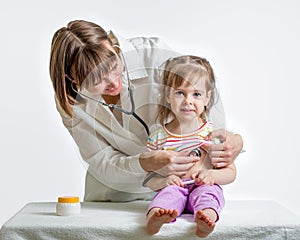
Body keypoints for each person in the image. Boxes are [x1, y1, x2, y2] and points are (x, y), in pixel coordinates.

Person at [49, 20, 243, 203]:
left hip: (179, 189)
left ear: (112, 46)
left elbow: (204, 108)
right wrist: (144, 163)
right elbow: (101, 161)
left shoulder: (153, 55)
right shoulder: (70, 102)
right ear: (72, 78)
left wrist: (233, 141)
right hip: (114, 195)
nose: (113, 82)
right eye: (96, 80)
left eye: (113, 67)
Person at [144, 55, 236, 238]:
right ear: (168, 96)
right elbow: (149, 178)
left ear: (207, 98)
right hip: (175, 188)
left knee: (209, 194)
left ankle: (206, 217)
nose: (188, 100)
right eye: (180, 93)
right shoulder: (158, 137)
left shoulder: (213, 135)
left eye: (196, 94)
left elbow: (231, 171)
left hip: (202, 186)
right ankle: (156, 218)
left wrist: (212, 175)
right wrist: (163, 181)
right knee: (167, 195)